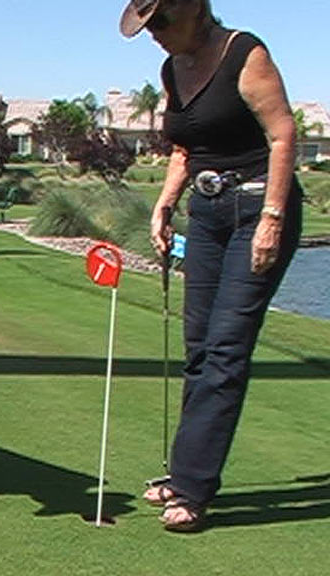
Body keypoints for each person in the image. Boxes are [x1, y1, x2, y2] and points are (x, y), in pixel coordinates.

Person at [120, 0, 302, 530]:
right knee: (198, 346)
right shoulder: (171, 68)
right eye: (147, 25)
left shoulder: (245, 53)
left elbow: (283, 136)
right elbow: (184, 148)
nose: (154, 33)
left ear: (193, 9)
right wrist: (164, 204)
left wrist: (271, 218)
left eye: (160, 20)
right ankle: (184, 474)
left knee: (225, 349)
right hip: (207, 213)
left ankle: (192, 489)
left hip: (256, 209)